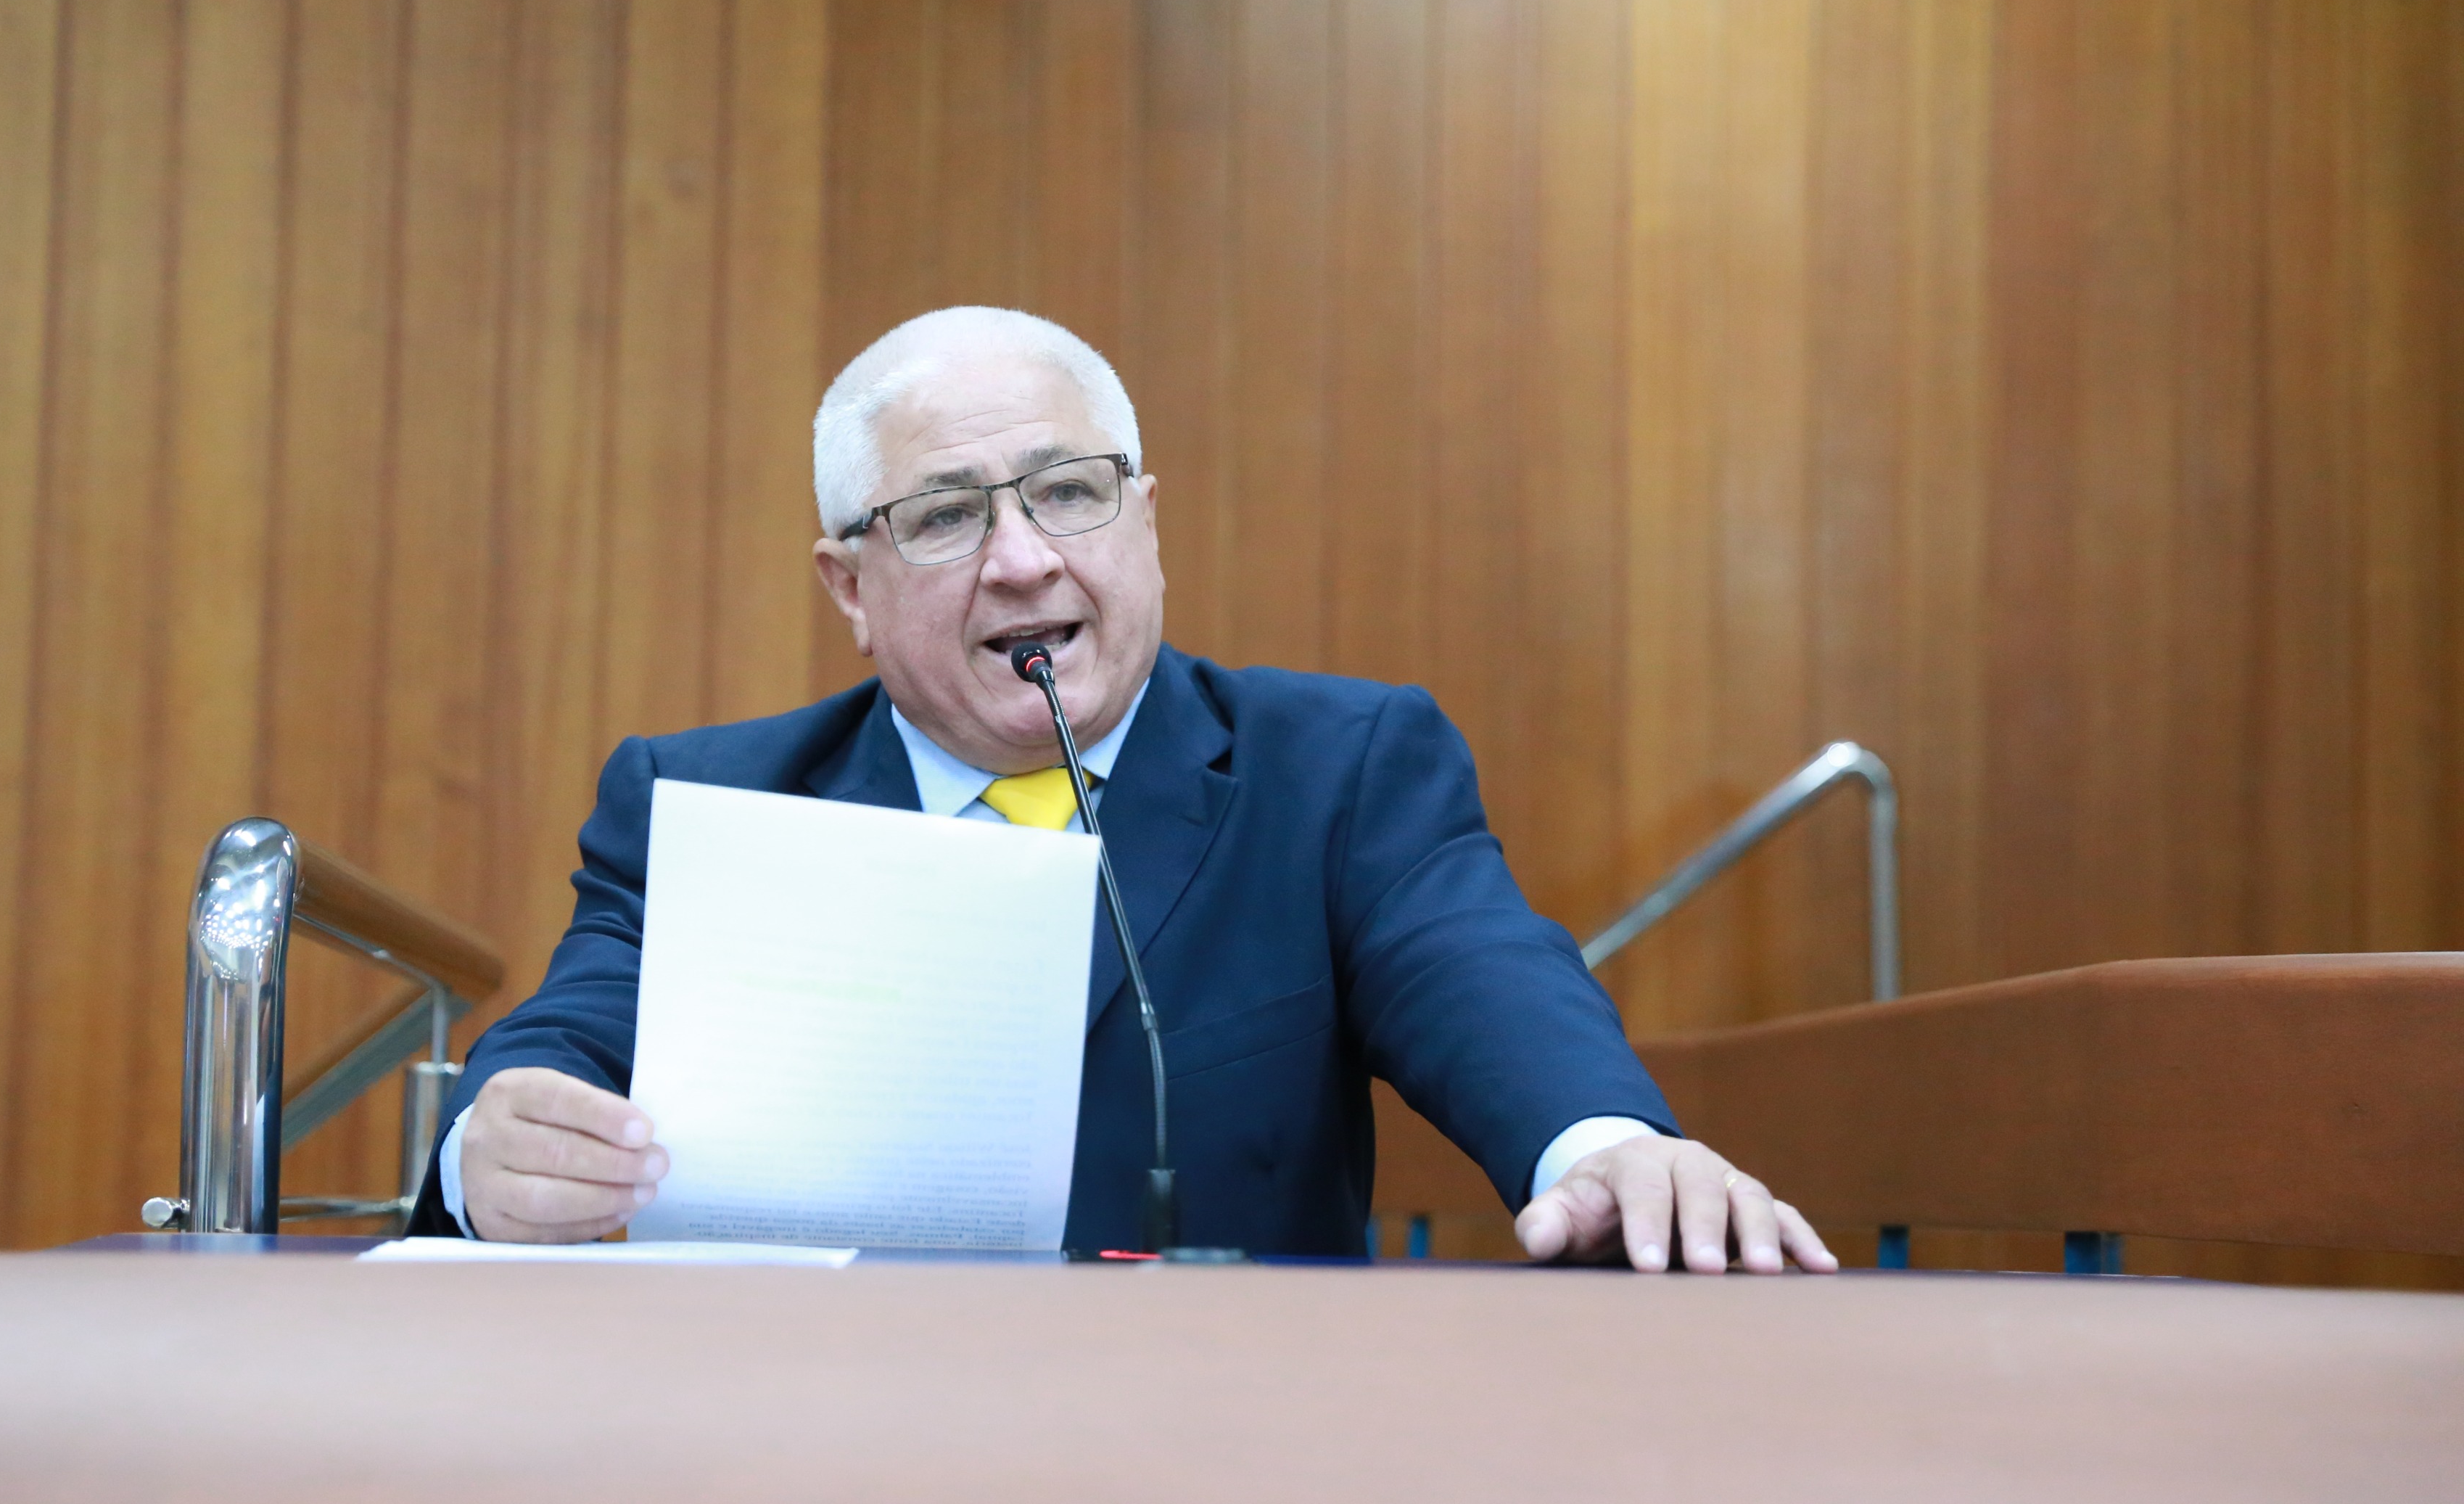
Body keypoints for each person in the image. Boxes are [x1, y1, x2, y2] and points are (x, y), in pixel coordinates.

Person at [414, 307, 1836, 1270]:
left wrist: (1602, 1143)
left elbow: (1476, 972)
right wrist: (495, 1148)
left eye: (1067, 492)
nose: (1023, 558)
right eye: (946, 516)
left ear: (1143, 522)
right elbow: (570, 1035)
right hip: (815, 1455)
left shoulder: (1336, 768)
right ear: (850, 587)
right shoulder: (714, 799)